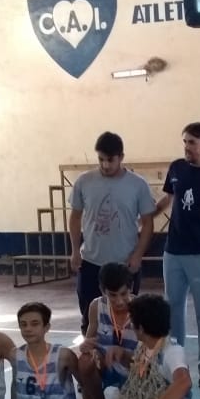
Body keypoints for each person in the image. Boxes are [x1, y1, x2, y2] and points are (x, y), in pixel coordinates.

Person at [156, 122, 200, 389]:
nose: (187, 147)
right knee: (173, 309)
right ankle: (176, 365)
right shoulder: (177, 168)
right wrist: (147, 217)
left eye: (192, 143)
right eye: (185, 142)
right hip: (173, 250)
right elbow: (168, 199)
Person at [69, 132, 156, 334]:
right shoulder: (84, 181)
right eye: (101, 159)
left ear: (121, 157)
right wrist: (74, 250)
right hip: (91, 261)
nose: (105, 165)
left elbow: (148, 223)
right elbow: (75, 217)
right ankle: (91, 351)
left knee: (127, 317)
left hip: (124, 262)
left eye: (110, 160)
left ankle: (124, 351)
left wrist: (138, 255)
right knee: (89, 316)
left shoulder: (138, 184)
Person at [76, 262, 138, 399]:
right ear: (103, 290)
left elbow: (150, 355)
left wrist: (123, 354)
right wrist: (86, 347)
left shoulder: (142, 308)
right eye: (112, 295)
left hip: (134, 369)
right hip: (106, 367)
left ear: (131, 288)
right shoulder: (96, 306)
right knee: (85, 361)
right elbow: (89, 341)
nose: (119, 301)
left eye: (123, 294)